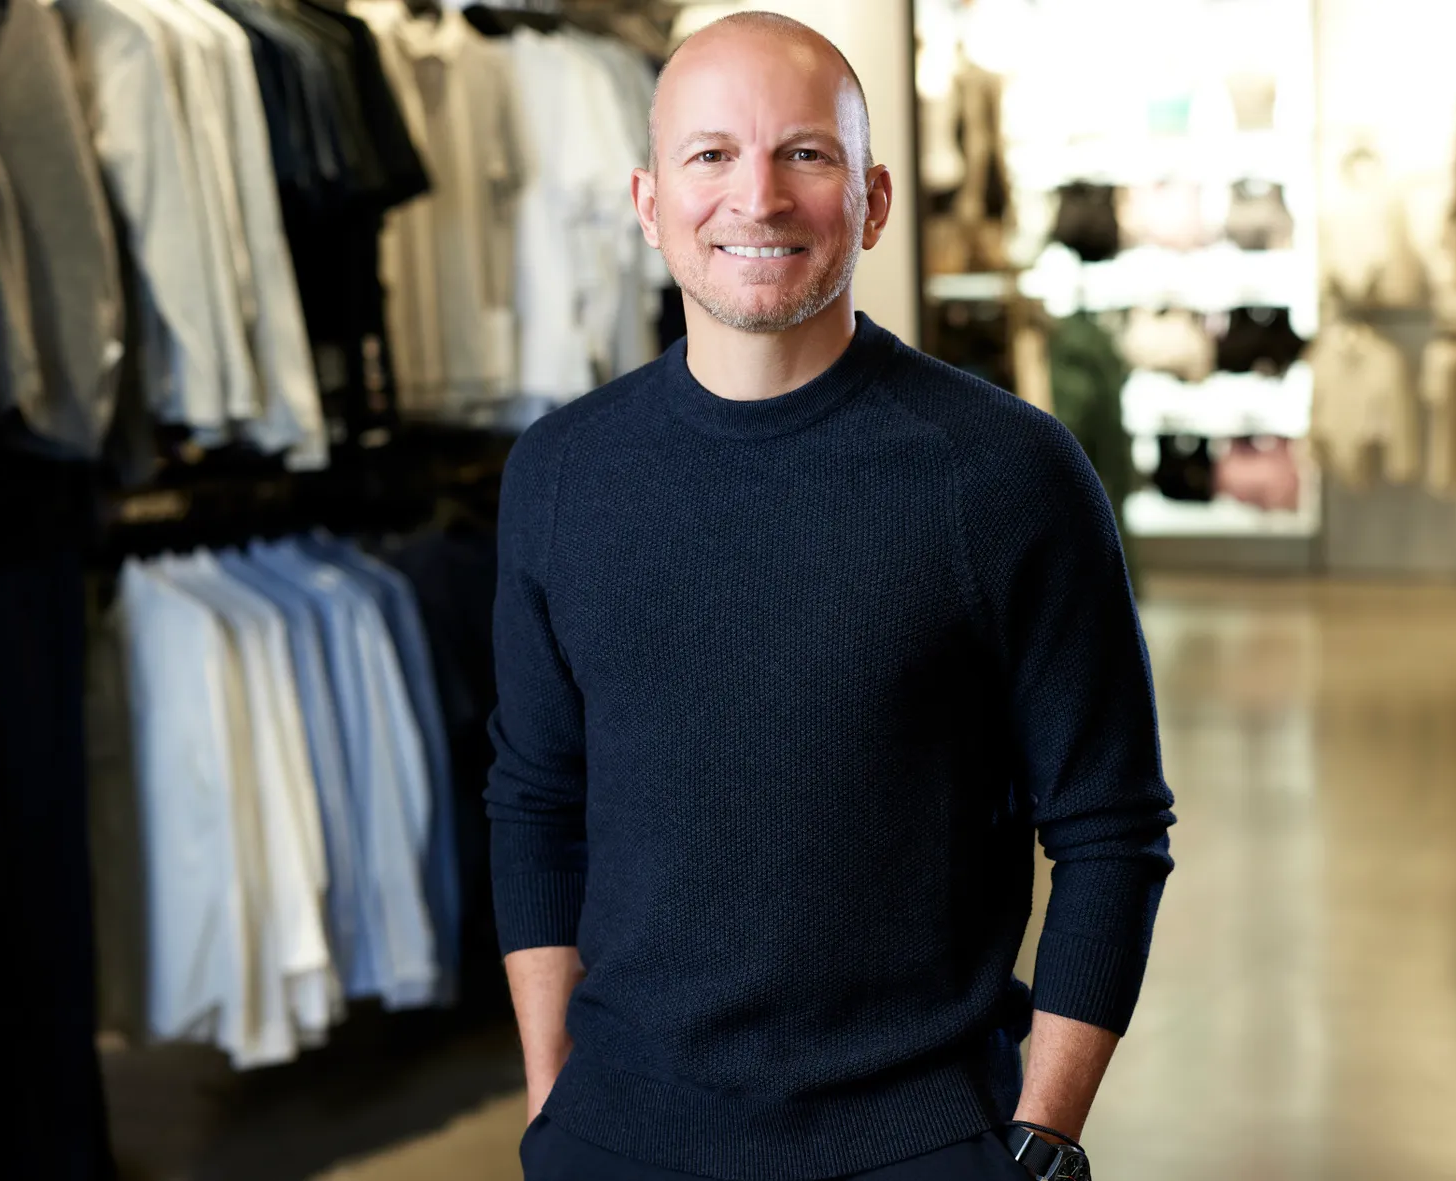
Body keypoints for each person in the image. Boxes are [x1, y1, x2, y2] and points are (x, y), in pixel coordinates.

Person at [487, 12, 1175, 1180]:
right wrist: (559, 1100)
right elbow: (535, 799)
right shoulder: (558, 472)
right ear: (649, 202)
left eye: (804, 153)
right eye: (711, 155)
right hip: (617, 1135)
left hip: (915, 1138)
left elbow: (1110, 825)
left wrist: (1040, 1132)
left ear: (873, 198)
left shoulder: (1005, 473)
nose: (755, 197)